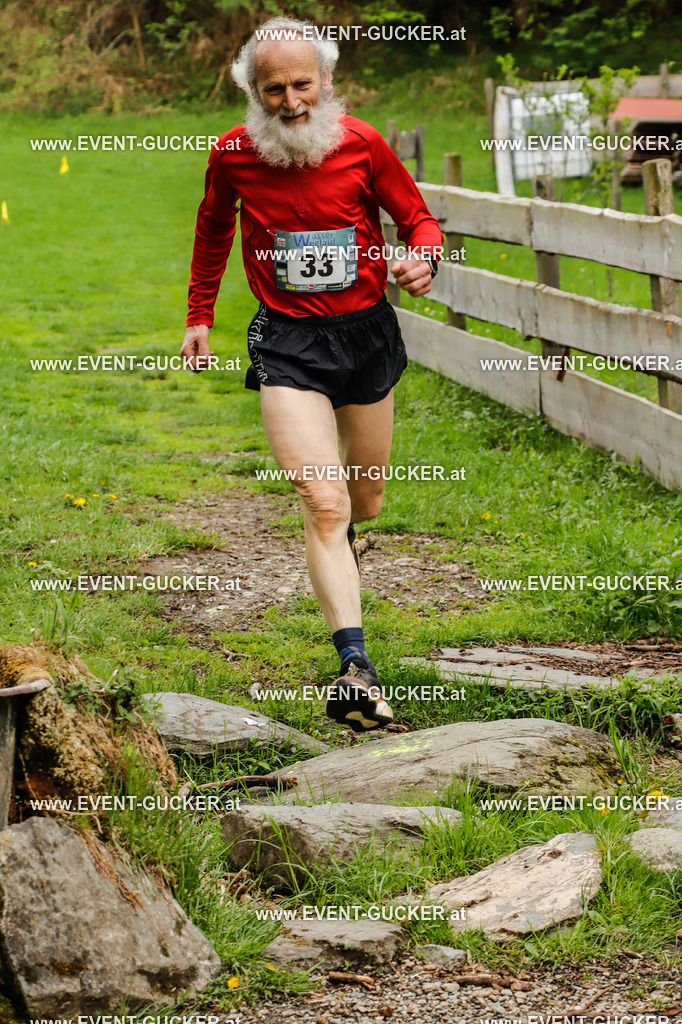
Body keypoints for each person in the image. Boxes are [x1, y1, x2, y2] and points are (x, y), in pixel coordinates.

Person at [181, 15, 443, 732]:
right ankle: (355, 665)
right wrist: (200, 313)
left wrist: (424, 258)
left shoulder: (360, 143)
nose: (290, 101)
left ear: (327, 82)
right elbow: (213, 228)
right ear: (250, 90)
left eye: (302, 84)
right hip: (287, 342)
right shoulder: (233, 155)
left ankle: (344, 553)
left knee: (364, 505)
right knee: (323, 502)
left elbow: (418, 220)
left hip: (364, 336)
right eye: (273, 89)